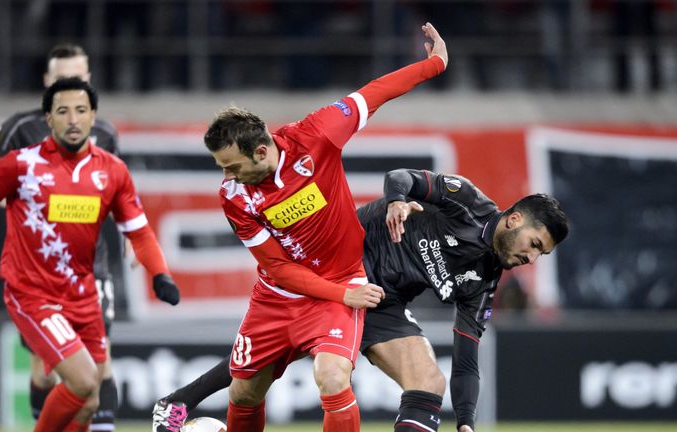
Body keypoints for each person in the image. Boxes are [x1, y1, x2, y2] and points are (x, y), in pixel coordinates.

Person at [152, 21, 449, 432]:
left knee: (331, 377)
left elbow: (373, 94)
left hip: (337, 286)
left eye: (234, 167)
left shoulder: (318, 136)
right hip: (280, 295)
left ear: (261, 150)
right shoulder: (234, 197)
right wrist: (344, 293)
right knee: (243, 393)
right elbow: (278, 268)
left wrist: (434, 64)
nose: (229, 177)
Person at [153, 168, 569, 432]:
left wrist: (466, 423)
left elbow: (466, 359)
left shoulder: (484, 279)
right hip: (340, 271)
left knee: (429, 382)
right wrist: (397, 202)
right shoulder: (468, 202)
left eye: (541, 255)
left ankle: (178, 403)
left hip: (380, 303)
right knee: (257, 378)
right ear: (514, 220)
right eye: (533, 244)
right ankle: (176, 404)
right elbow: (402, 178)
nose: (530, 259)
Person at [0, 78, 181, 431]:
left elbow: (138, 230)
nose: (73, 119)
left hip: (83, 295)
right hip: (32, 294)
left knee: (90, 399)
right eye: (63, 111)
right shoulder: (20, 165)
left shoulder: (112, 171)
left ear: (94, 116)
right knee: (82, 381)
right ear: (48, 119)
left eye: (81, 111)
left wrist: (160, 275)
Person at [0, 43, 127, 431]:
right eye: (62, 80)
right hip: (39, 275)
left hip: (91, 271)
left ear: (89, 81)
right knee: (45, 371)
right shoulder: (19, 129)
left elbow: (117, 196)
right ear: (47, 83)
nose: (72, 87)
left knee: (100, 361)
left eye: (78, 79)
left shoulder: (104, 133)